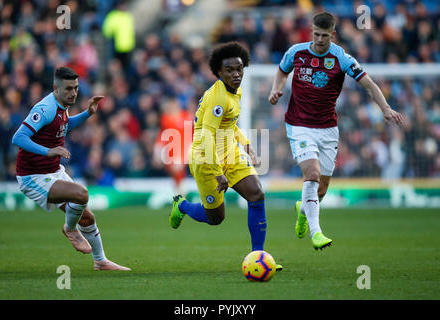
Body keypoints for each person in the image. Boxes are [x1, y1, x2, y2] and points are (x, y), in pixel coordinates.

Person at [268, 12, 404, 250]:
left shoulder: (341, 57)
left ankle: (304, 208)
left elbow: (369, 85)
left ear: (333, 34)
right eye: (316, 34)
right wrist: (276, 89)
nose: (319, 40)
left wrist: (386, 108)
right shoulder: (296, 52)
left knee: (321, 189)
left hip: (328, 128)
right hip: (299, 125)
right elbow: (281, 70)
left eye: (324, 35)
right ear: (312, 31)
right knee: (312, 174)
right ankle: (316, 233)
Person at [169, 42, 282, 270]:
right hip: (205, 158)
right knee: (216, 219)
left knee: (256, 194)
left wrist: (246, 144)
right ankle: (181, 206)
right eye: (229, 70)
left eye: (239, 69)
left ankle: (258, 258)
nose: (236, 74)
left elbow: (229, 124)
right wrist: (218, 173)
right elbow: (208, 136)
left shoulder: (236, 90)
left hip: (230, 152)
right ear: (219, 73)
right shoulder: (217, 98)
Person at [12, 67, 130, 270]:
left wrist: (88, 114)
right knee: (81, 194)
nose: (73, 93)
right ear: (55, 88)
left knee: (87, 216)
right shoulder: (45, 109)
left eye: (75, 88)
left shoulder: (62, 105)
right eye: (68, 89)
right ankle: (70, 229)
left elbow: (63, 126)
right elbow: (18, 137)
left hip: (52, 171)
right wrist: (48, 151)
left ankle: (100, 261)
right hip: (33, 176)